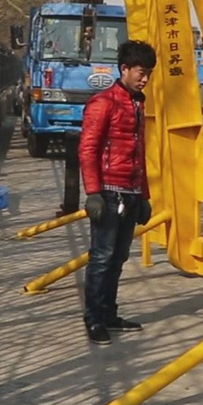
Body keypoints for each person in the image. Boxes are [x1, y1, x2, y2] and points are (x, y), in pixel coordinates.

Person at [79, 39, 156, 345]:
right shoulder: (103, 103)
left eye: (149, 72)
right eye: (140, 71)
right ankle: (94, 318)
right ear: (123, 69)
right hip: (109, 194)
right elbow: (87, 149)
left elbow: (140, 153)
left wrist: (145, 196)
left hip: (131, 192)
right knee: (102, 257)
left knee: (119, 257)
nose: (145, 78)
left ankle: (109, 313)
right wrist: (94, 192)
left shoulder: (137, 103)